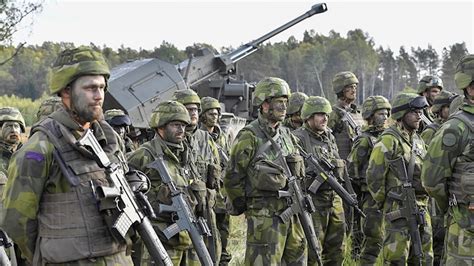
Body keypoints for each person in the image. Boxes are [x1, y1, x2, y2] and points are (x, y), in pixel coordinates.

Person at [0, 47, 133, 265]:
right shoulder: (40, 148)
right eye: (90, 88)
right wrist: (55, 256)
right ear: (66, 91)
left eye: (101, 87)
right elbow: (17, 222)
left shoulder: (109, 140)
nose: (99, 95)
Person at [224, 77, 307, 265]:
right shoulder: (249, 136)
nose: (284, 107)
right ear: (264, 104)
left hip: (292, 213)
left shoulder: (287, 135)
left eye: (285, 102)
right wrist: (250, 208)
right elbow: (232, 177)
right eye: (279, 102)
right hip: (264, 218)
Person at [127, 100, 202, 265]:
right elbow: (126, 196)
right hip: (159, 239)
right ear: (160, 126)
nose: (181, 129)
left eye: (183, 125)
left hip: (187, 238)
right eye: (175, 125)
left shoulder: (186, 155)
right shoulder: (144, 155)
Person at [366, 92, 433, 265]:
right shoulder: (389, 139)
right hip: (399, 209)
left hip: (421, 207)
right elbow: (374, 175)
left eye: (421, 112)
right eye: (414, 112)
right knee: (397, 258)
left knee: (424, 257)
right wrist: (388, 202)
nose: (420, 115)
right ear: (402, 114)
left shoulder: (417, 140)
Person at [421, 54, 474, 265]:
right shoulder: (455, 128)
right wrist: (453, 206)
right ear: (470, 88)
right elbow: (431, 180)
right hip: (466, 230)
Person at [293, 96, 346, 265]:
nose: (325, 119)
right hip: (313, 202)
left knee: (337, 249)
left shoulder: (329, 136)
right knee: (313, 250)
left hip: (334, 199)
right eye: (320, 115)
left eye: (327, 115)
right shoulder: (298, 138)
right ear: (308, 116)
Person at [173, 89, 222, 264]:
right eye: (188, 109)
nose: (193, 113)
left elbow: (216, 175)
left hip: (206, 214)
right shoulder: (171, 140)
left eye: (195, 109)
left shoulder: (206, 139)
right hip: (180, 215)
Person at [347, 96, 391, 265]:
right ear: (371, 115)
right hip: (370, 198)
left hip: (386, 195)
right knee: (373, 240)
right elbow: (352, 170)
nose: (385, 117)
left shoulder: (388, 137)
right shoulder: (365, 140)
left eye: (387, 113)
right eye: (381, 113)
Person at [199, 96, 232, 265]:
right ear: (203, 115)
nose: (215, 117)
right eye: (211, 113)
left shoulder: (222, 137)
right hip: (206, 191)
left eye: (217, 114)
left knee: (223, 228)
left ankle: (223, 258)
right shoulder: (197, 137)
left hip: (222, 191)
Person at [328, 71, 364, 161]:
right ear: (341, 89)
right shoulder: (334, 114)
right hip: (343, 165)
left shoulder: (357, 114)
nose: (354, 90)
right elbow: (325, 140)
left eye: (355, 87)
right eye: (350, 87)